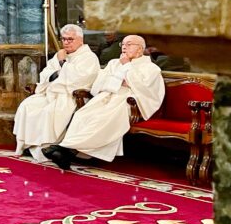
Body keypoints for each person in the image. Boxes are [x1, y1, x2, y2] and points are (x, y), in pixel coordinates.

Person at [45, 35, 165, 170]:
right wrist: (119, 80)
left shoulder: (151, 68)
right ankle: (70, 151)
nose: (124, 47)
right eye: (123, 44)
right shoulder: (114, 63)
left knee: (102, 119)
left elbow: (145, 89)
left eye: (129, 44)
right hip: (107, 96)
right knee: (83, 114)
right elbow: (100, 82)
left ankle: (65, 149)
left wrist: (125, 69)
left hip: (127, 102)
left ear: (140, 49)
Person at [12, 24, 100, 162]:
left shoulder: (88, 57)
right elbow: (46, 73)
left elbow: (79, 79)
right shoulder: (62, 54)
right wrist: (57, 72)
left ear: (80, 40)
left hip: (71, 96)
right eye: (63, 39)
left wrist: (62, 63)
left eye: (70, 39)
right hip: (51, 93)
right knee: (27, 105)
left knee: (49, 112)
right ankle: (28, 145)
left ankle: (47, 147)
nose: (65, 42)